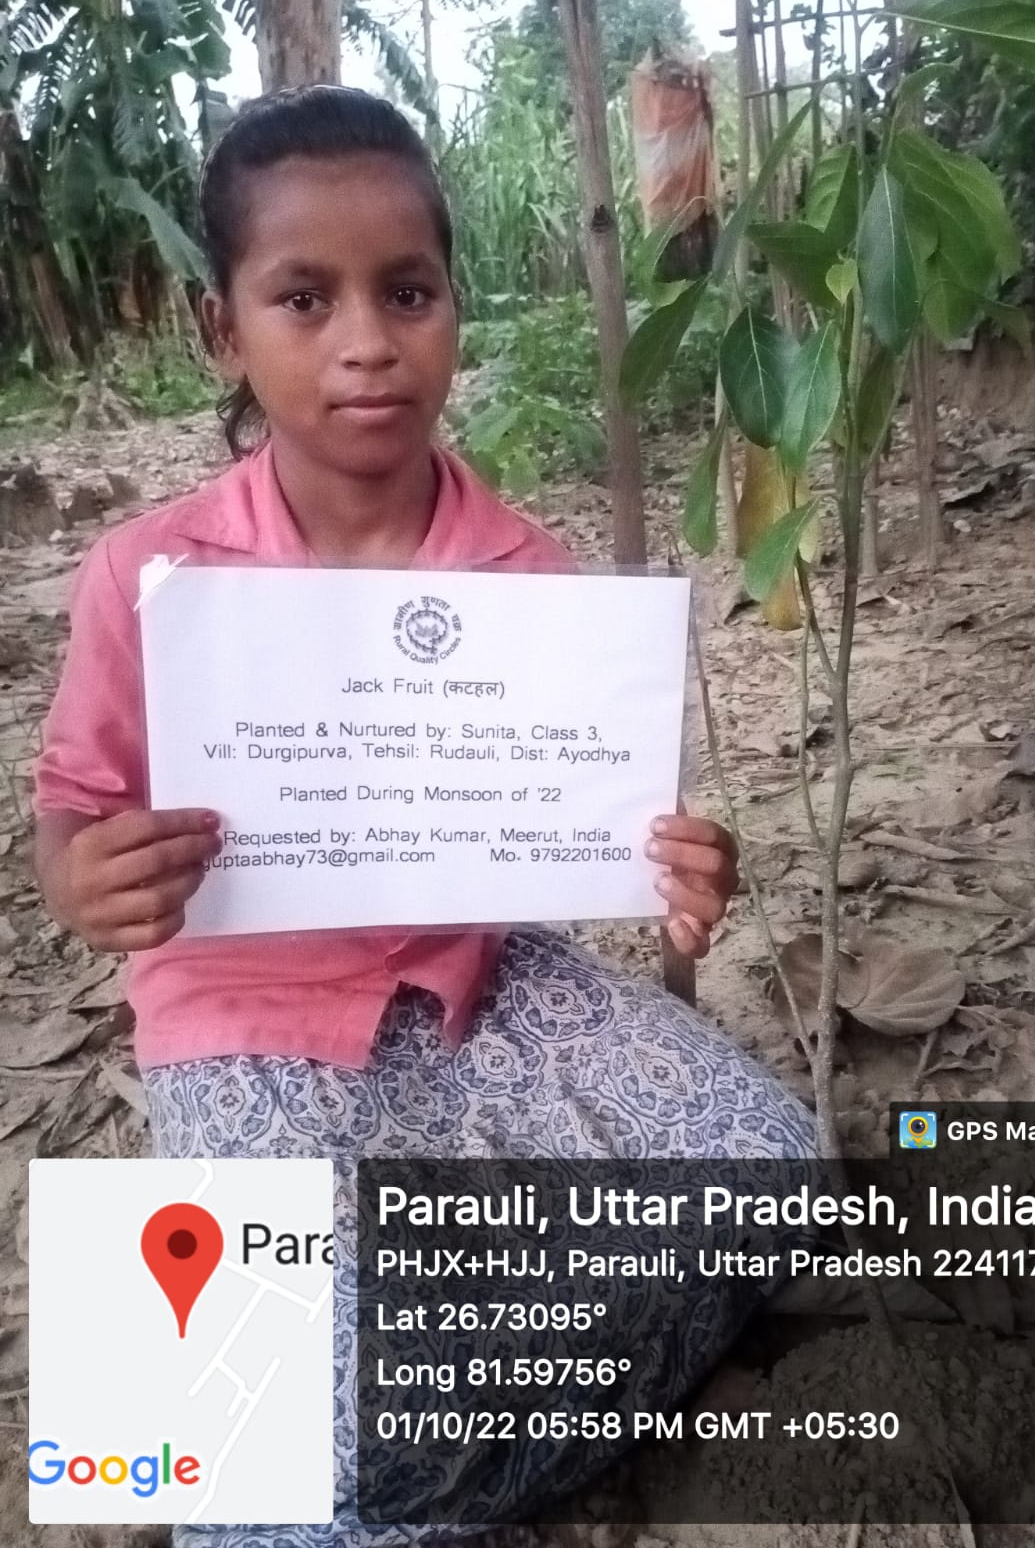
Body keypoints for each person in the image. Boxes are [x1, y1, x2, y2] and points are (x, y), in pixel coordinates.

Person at [32, 87, 817, 1548]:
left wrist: (685, 865)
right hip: (243, 1019)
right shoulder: (150, 578)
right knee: (271, 1454)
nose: (366, 342)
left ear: (455, 303)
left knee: (775, 1169)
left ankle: (388, 1447)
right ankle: (279, 1439)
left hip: (479, 982)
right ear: (227, 332)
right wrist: (93, 883)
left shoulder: (523, 572)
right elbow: (71, 821)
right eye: (302, 297)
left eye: (407, 291)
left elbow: (592, 821)